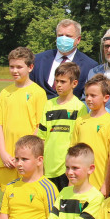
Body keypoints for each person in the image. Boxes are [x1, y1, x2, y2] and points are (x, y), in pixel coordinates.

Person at [0, 47, 48, 188]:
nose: (14, 71)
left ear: (30, 67)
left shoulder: (38, 92)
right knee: (9, 194)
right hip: (8, 157)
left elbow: (40, 127)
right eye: (11, 67)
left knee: (29, 192)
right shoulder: (5, 92)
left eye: (19, 67)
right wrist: (3, 152)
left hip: (28, 157)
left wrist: (27, 153)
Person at [38, 62, 86, 190]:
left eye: (63, 82)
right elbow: (42, 136)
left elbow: (79, 141)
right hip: (48, 164)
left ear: (74, 83)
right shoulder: (48, 105)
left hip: (66, 167)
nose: (58, 85)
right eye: (57, 81)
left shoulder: (79, 108)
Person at [29, 18, 99, 100]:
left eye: (68, 36)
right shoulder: (38, 59)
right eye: (60, 35)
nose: (63, 39)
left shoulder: (90, 66)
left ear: (78, 39)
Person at [70, 75, 110, 195]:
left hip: (100, 184)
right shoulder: (80, 121)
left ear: (106, 97)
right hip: (79, 185)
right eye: (87, 95)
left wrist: (106, 184)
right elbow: (73, 153)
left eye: (93, 95)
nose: (88, 99)